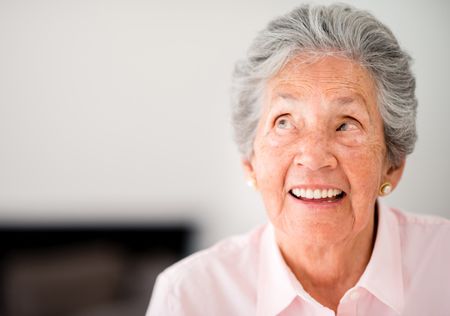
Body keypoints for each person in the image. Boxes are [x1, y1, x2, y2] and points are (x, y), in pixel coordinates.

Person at [147, 4, 450, 315]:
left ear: (393, 164)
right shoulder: (188, 297)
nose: (314, 158)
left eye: (346, 124)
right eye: (284, 122)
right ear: (250, 162)